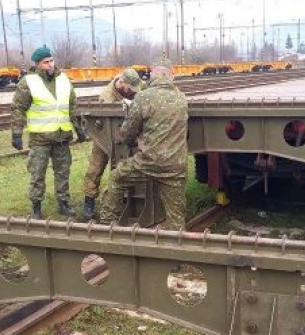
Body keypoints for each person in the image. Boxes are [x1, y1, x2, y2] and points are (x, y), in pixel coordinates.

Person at [99, 58, 188, 230]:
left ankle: (108, 223)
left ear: (152, 74)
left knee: (117, 178)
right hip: (175, 166)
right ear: (172, 76)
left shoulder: (143, 97)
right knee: (176, 220)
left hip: (148, 163)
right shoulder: (181, 98)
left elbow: (127, 133)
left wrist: (129, 139)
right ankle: (176, 235)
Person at [10, 45, 76, 219]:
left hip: (62, 136)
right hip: (40, 139)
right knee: (37, 174)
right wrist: (16, 133)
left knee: (63, 173)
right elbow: (18, 108)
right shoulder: (29, 82)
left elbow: (72, 106)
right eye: (46, 62)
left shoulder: (63, 79)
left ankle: (63, 202)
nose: (50, 64)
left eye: (51, 61)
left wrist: (80, 129)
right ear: (38, 64)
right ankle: (36, 206)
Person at [81, 68, 143, 220]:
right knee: (96, 166)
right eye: (130, 89)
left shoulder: (134, 85)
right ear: (121, 83)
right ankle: (89, 199)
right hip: (106, 132)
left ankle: (126, 197)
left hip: (129, 130)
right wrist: (125, 104)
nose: (133, 91)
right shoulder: (107, 96)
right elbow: (112, 113)